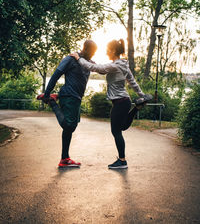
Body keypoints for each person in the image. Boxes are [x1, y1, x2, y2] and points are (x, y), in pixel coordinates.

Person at [70, 39, 152, 169]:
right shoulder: (122, 65)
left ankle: (122, 160)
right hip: (124, 101)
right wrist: (142, 95)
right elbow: (132, 82)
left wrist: (78, 58)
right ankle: (136, 108)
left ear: (113, 51)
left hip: (120, 103)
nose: (106, 52)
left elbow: (95, 68)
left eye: (108, 49)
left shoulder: (115, 66)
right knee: (122, 128)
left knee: (116, 131)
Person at [38, 40, 97, 168]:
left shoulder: (88, 63)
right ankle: (52, 102)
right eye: (91, 52)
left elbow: (97, 67)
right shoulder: (70, 59)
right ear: (85, 48)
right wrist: (47, 94)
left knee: (71, 127)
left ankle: (64, 158)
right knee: (69, 126)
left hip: (76, 98)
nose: (92, 55)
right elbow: (56, 75)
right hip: (69, 96)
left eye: (94, 53)